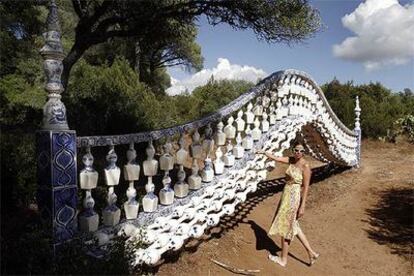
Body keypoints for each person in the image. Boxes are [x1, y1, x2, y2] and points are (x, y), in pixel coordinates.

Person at [257, 143, 319, 267]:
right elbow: (277, 158)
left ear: (304, 152)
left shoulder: (305, 166)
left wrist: (302, 206)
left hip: (293, 198)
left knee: (286, 227)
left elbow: (306, 187)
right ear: (293, 150)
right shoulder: (291, 160)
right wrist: (264, 152)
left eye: (301, 151)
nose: (298, 152)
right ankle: (312, 253)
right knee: (293, 225)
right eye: (296, 150)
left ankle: (283, 259)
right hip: (286, 195)